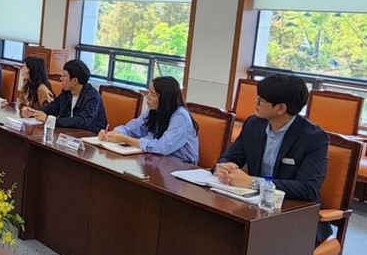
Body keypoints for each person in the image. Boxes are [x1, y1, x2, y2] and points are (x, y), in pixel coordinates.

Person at [214, 74, 330, 245]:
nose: (255, 102)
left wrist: (253, 182)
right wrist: (224, 167)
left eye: (260, 100)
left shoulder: (314, 138)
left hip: (295, 214)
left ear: (280, 108)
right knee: (218, 229)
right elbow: (230, 157)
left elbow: (308, 189)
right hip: (255, 206)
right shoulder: (254, 124)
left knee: (257, 245)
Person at [97, 76, 199, 164]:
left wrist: (125, 139)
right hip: (157, 160)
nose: (147, 97)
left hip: (181, 166)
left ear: (165, 99)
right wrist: (112, 133)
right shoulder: (153, 111)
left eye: (153, 95)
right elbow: (132, 129)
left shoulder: (180, 117)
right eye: (149, 92)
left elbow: (162, 147)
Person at [22, 59, 107, 133]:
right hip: (69, 134)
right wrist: (34, 112)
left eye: (64, 75)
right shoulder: (67, 92)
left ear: (74, 80)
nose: (61, 78)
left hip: (90, 136)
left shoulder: (92, 97)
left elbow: (82, 121)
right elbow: (53, 107)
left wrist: (50, 120)